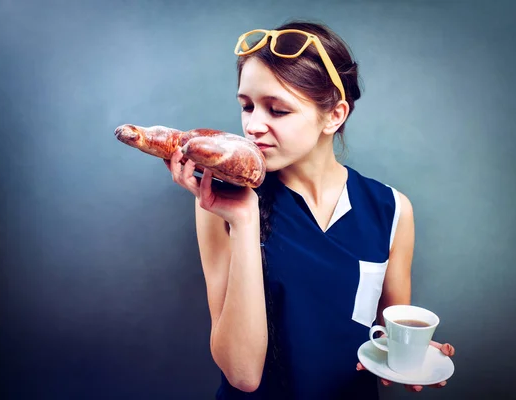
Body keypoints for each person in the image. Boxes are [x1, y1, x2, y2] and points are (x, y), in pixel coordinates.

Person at [164, 20, 455, 399]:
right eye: (247, 106)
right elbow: (242, 374)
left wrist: (411, 356)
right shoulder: (220, 202)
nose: (253, 126)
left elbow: (388, 330)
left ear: (334, 115)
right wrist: (245, 220)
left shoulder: (392, 210)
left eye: (277, 110)